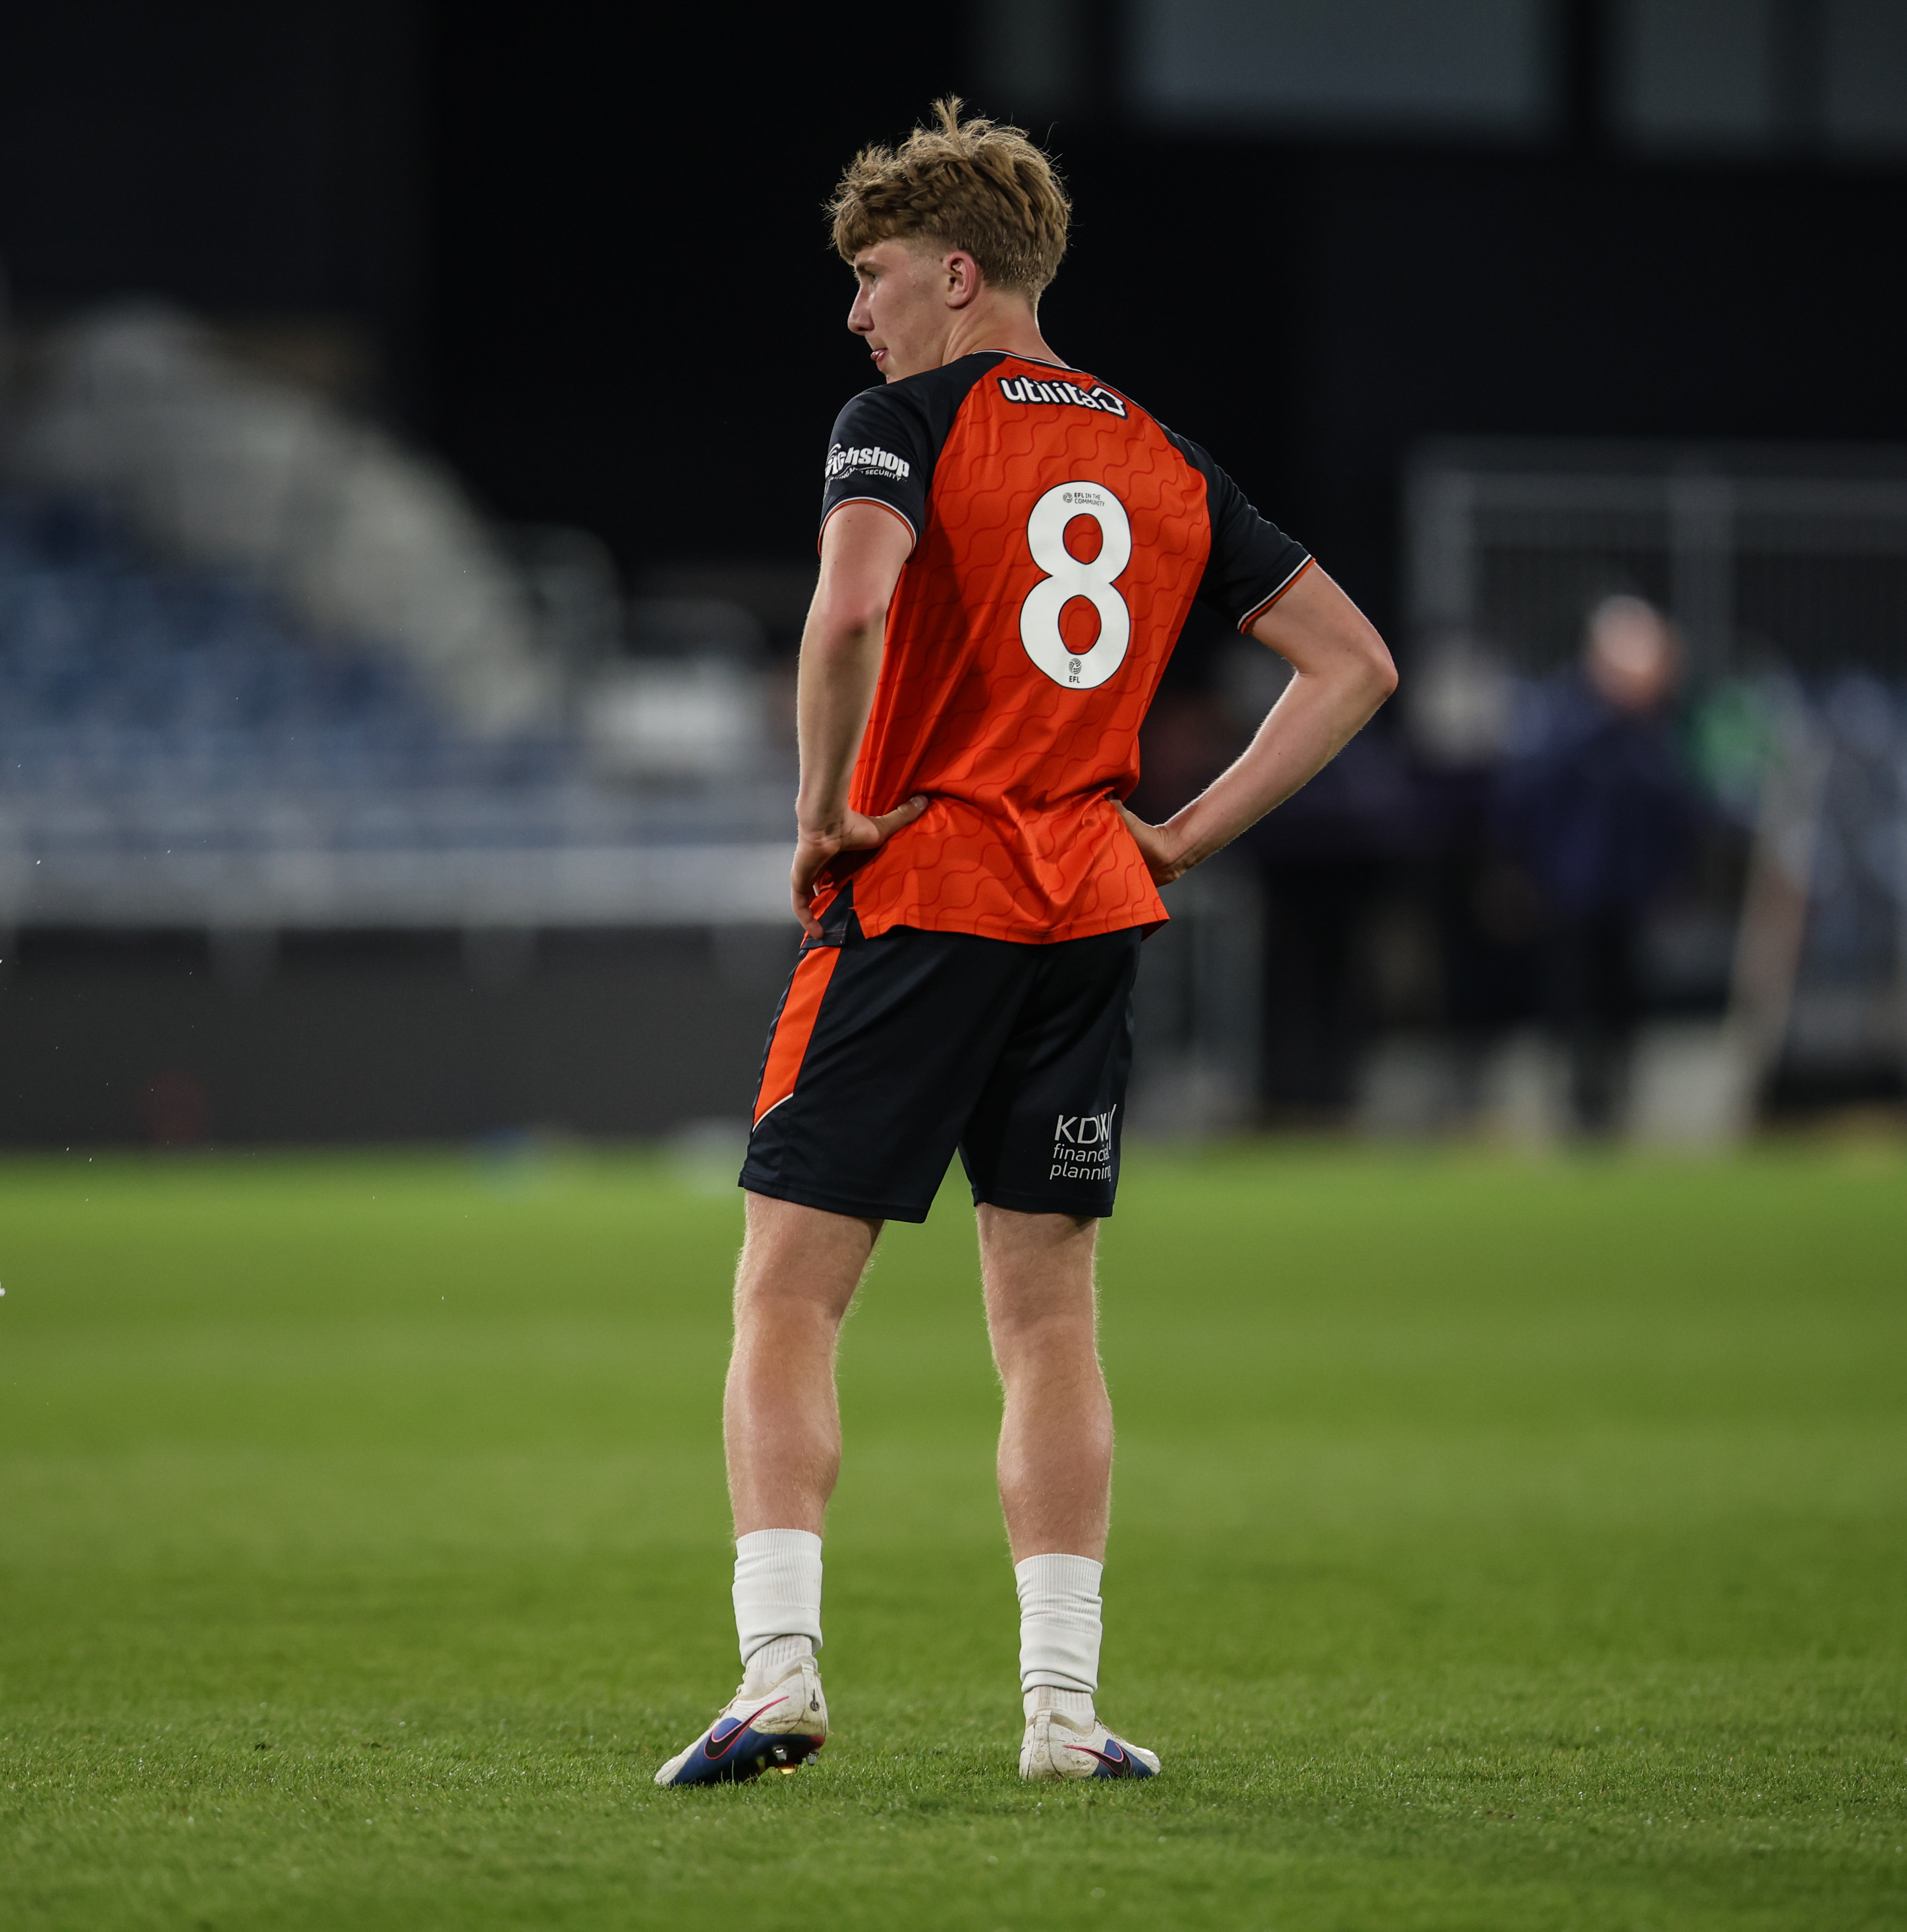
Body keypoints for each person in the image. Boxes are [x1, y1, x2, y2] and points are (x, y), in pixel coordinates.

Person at [655, 101, 1397, 1788]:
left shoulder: (898, 421)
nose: (859, 314)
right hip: (1089, 910)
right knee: (1050, 1319)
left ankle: (779, 1674)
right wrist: (1188, 835)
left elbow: (847, 610)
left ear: (962, 273)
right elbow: (1353, 664)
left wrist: (820, 811)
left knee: (786, 1294)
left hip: (924, 890)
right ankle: (1060, 1712)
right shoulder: (1157, 452)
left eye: (876, 275)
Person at [1493, 596, 1702, 1138]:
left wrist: (1669, 876)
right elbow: (1525, 801)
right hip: (1571, 889)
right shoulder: (1567, 721)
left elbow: (1677, 813)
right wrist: (1520, 869)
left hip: (1629, 893)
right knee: (1574, 1003)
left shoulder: (1656, 732)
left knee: (1625, 1003)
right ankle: (1581, 1110)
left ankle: (1613, 1106)